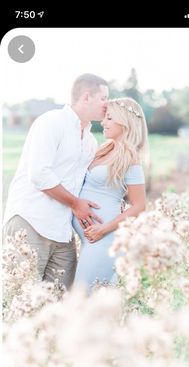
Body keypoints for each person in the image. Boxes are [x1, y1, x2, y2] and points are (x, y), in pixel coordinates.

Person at [3, 74, 109, 288]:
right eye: (103, 98)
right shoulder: (51, 122)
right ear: (86, 97)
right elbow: (39, 174)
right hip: (30, 221)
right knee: (19, 299)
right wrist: (75, 204)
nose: (108, 104)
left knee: (57, 308)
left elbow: (86, 183)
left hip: (62, 232)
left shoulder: (90, 141)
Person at [73, 97, 147, 291]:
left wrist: (103, 229)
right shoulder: (104, 149)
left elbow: (139, 206)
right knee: (87, 299)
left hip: (105, 238)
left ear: (125, 122)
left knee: (81, 298)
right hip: (91, 239)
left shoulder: (131, 159)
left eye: (109, 118)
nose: (103, 122)